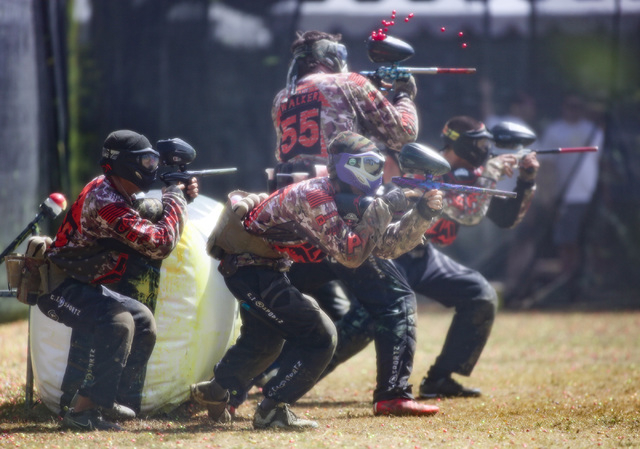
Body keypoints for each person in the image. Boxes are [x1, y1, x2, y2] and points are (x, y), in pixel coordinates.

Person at [190, 131, 444, 430]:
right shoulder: (315, 196)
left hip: (267, 268)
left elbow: (386, 246)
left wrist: (422, 213)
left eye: (378, 166)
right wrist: (384, 207)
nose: (378, 174)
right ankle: (272, 409)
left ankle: (214, 391)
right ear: (349, 166)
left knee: (264, 342)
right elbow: (349, 254)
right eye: (371, 166)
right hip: (248, 268)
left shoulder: (347, 197)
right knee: (320, 335)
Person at [265, 30, 442, 416]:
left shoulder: (283, 97)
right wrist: (402, 92)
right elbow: (402, 132)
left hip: (293, 213)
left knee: (302, 308)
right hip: (340, 206)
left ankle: (248, 380)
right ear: (333, 56)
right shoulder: (350, 82)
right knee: (394, 300)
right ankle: (393, 394)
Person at [314, 116, 540, 398]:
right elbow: (468, 214)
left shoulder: (470, 176)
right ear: (461, 144)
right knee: (362, 326)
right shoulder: (423, 169)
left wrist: (526, 180)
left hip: (424, 256)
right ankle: (285, 375)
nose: (485, 152)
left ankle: (440, 378)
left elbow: (505, 219)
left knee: (479, 295)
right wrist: (490, 173)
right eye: (480, 145)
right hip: (393, 254)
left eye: (488, 146)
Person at [38, 130, 198, 431]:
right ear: (125, 164)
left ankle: (105, 400)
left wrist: (179, 197)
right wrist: (176, 198)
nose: (152, 168)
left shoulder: (111, 189)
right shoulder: (105, 202)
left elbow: (142, 214)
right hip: (57, 286)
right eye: (146, 162)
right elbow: (160, 243)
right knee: (118, 322)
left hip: (82, 283)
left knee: (143, 322)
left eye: (154, 161)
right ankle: (82, 413)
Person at [537, 93, 603, 299]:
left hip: (590, 197)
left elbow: (600, 163)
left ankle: (590, 283)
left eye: (578, 106)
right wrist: (548, 195)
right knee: (566, 242)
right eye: (570, 106)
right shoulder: (554, 131)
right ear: (563, 107)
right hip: (565, 197)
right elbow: (547, 166)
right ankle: (568, 283)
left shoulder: (593, 130)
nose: (574, 110)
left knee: (590, 242)